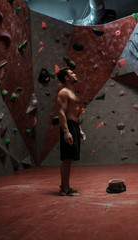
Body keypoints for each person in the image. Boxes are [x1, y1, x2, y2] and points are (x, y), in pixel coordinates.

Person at [56, 67, 86, 196]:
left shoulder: (72, 92)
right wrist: (66, 131)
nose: (75, 73)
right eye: (71, 73)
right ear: (66, 78)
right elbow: (61, 112)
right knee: (67, 159)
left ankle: (66, 186)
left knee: (70, 159)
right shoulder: (63, 92)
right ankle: (64, 188)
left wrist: (79, 129)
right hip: (68, 125)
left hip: (74, 125)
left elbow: (75, 112)